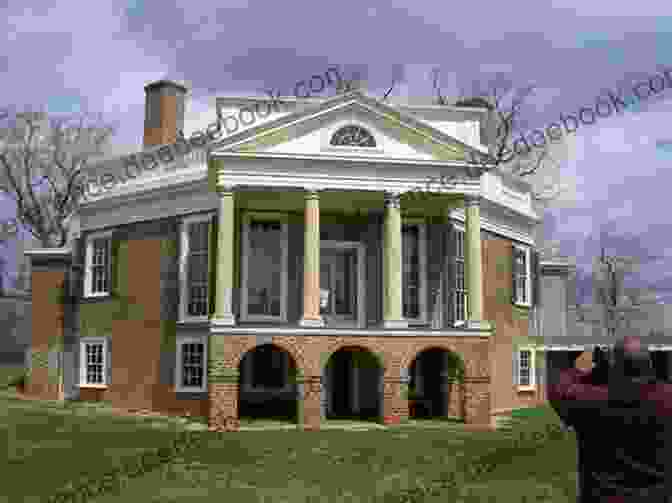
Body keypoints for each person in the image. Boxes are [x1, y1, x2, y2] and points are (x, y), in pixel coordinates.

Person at [548, 336, 672, 502]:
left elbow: (558, 385)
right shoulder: (667, 399)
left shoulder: (591, 401)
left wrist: (572, 341)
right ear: (650, 363)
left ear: (614, 367)